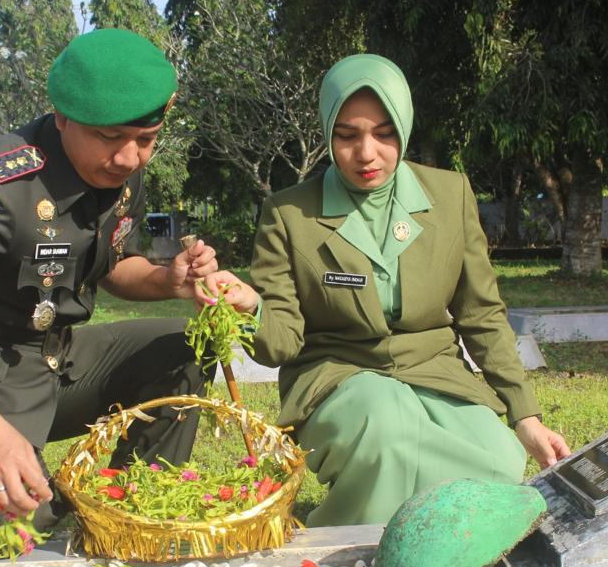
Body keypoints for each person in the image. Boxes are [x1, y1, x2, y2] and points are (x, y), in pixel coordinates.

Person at [206, 53, 571, 526]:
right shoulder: (289, 214)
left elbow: (481, 315)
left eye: (384, 133)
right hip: (335, 376)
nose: (366, 153)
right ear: (326, 132)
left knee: (499, 460)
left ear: (404, 126)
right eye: (347, 135)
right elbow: (281, 343)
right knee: (388, 430)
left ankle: (419, 533)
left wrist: (525, 418)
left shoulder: (449, 195)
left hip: (435, 372)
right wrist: (251, 305)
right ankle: (341, 549)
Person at [0, 28, 218, 548]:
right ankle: (27, 491)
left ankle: (129, 504)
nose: (129, 159)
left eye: (146, 141)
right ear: (63, 116)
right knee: (19, 529)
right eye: (111, 138)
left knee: (183, 348)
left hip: (59, 362)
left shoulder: (122, 174)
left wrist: (169, 279)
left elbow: (111, 265)